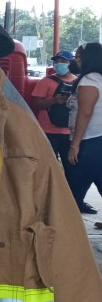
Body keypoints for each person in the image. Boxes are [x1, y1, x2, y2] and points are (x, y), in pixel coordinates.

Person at [67, 42, 102, 214]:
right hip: (97, 141)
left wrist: (75, 145)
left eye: (78, 56)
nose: (75, 60)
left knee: (74, 187)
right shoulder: (98, 78)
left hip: (89, 142)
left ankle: (68, 230)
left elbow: (85, 113)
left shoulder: (89, 80)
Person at [31, 50, 77, 172]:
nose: (59, 64)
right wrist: (54, 101)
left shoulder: (78, 82)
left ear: (71, 63)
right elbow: (36, 104)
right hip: (48, 131)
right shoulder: (46, 81)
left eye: (63, 61)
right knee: (47, 167)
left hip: (70, 132)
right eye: (56, 62)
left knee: (71, 167)